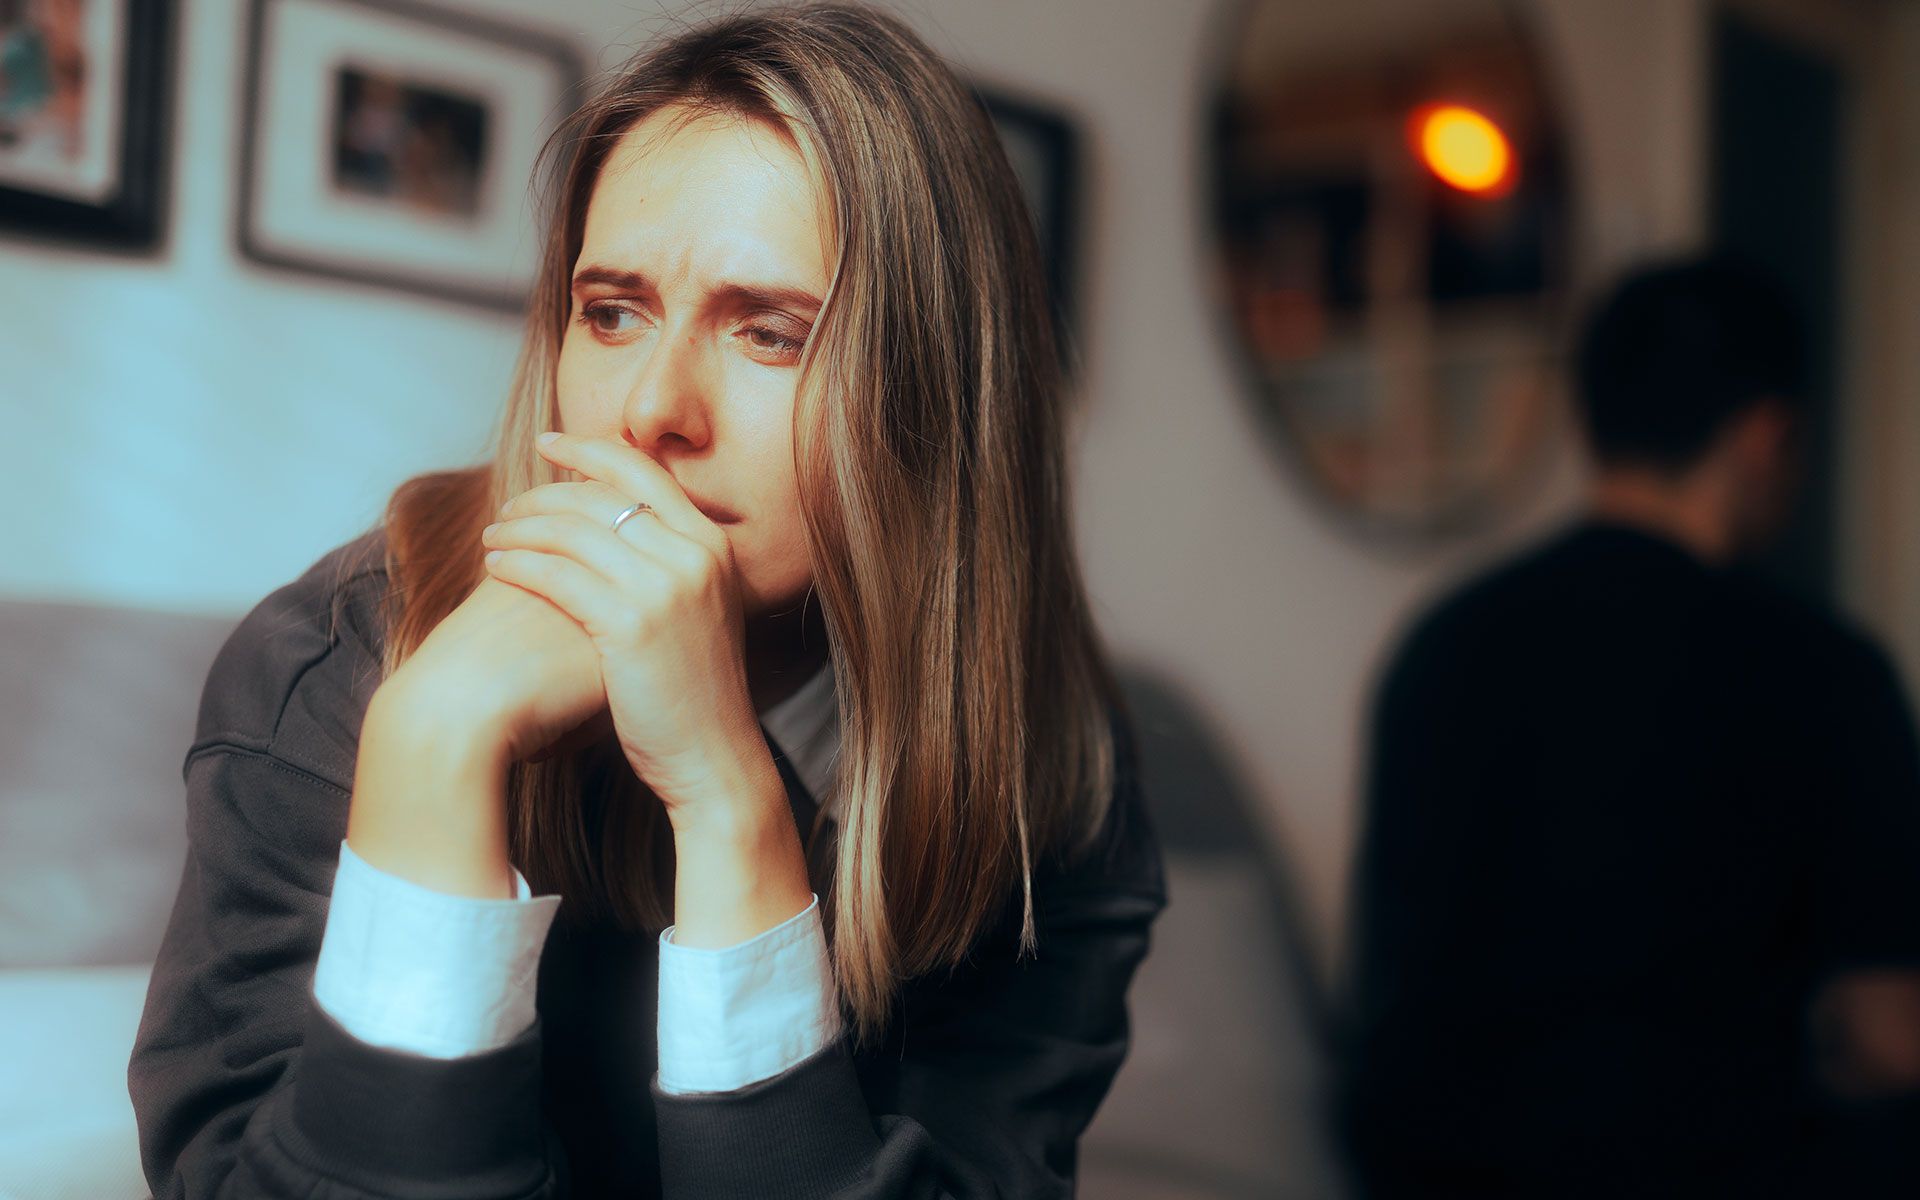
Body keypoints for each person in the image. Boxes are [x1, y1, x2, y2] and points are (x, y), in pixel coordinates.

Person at [127, 6, 1166, 1197]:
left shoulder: (1056, 767)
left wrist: (726, 799)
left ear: (934, 403)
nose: (652, 410)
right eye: (612, 312)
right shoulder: (338, 656)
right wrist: (431, 742)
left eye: (770, 334)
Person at [1341, 255, 1920, 1197]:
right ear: (1768, 437)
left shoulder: (1445, 640)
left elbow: (1396, 973)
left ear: (1589, 423)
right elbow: (1894, 1036)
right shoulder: (1826, 669)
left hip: (1435, 1169)